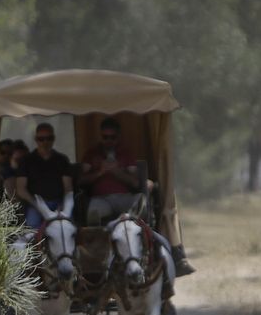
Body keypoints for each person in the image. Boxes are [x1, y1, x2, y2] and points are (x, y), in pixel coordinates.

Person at [80, 116, 196, 276]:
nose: (109, 141)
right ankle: (95, 251)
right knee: (92, 211)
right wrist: (100, 172)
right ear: (101, 136)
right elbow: (82, 181)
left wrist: (116, 172)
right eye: (105, 137)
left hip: (124, 199)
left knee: (141, 202)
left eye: (112, 137)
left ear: (117, 137)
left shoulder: (125, 154)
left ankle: (143, 239)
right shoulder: (92, 154)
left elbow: (135, 183)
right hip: (102, 200)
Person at [13, 122, 73, 228]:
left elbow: (68, 188)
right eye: (41, 139)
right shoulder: (26, 161)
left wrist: (63, 205)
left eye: (49, 138)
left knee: (68, 227)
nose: (45, 142)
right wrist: (37, 205)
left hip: (58, 203)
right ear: (36, 139)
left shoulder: (62, 159)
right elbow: (20, 189)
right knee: (32, 230)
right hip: (35, 205)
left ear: (53, 138)